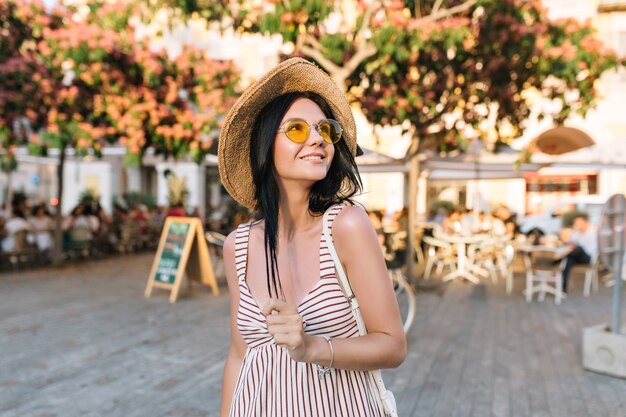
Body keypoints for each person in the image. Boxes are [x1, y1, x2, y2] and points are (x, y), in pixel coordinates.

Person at [218, 58, 406, 417]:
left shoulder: (346, 226)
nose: (318, 138)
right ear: (264, 145)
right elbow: (239, 355)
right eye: (297, 129)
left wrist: (312, 347)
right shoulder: (237, 247)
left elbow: (393, 345)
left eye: (325, 129)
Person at [560, 212, 597, 293]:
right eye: (575, 223)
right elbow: (567, 241)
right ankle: (563, 286)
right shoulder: (577, 233)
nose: (577, 224)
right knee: (568, 261)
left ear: (585, 222)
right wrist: (571, 230)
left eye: (578, 222)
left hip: (587, 258)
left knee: (578, 249)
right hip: (576, 256)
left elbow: (586, 250)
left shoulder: (591, 233)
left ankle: (558, 259)